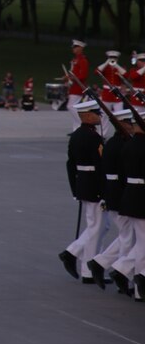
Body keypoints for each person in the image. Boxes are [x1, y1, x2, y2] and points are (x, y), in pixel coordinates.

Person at [86, 107, 134, 289]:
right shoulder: (121, 145)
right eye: (129, 124)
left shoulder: (114, 143)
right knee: (128, 237)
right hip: (119, 194)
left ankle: (101, 263)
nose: (131, 127)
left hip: (113, 193)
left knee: (127, 236)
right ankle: (121, 272)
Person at [59, 98, 107, 282]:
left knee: (97, 225)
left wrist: (75, 189)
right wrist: (104, 190)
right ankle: (72, 253)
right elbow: (101, 165)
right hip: (94, 185)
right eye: (96, 113)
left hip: (83, 184)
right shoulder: (94, 138)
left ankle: (88, 270)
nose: (99, 117)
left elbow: (70, 165)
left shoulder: (77, 136)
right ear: (87, 116)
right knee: (97, 226)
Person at [110, 106, 145, 299]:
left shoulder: (128, 145)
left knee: (141, 242)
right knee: (142, 243)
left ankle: (124, 270)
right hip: (141, 197)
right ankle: (132, 278)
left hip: (130, 196)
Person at [98, 50, 126, 137]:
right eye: (110, 58)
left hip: (117, 95)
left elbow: (126, 75)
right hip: (107, 94)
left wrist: (116, 65)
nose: (112, 59)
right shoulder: (105, 67)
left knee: (120, 116)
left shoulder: (120, 67)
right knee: (104, 116)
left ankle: (121, 134)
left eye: (114, 58)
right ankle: (102, 134)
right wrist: (107, 62)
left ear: (117, 59)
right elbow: (97, 71)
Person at [64, 40, 90, 132]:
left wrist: (72, 78)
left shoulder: (83, 60)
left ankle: (82, 124)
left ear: (80, 48)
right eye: (73, 47)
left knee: (71, 106)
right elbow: (73, 73)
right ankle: (76, 129)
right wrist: (68, 77)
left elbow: (83, 75)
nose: (73, 49)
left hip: (79, 86)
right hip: (74, 86)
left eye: (75, 47)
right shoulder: (75, 60)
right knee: (74, 106)